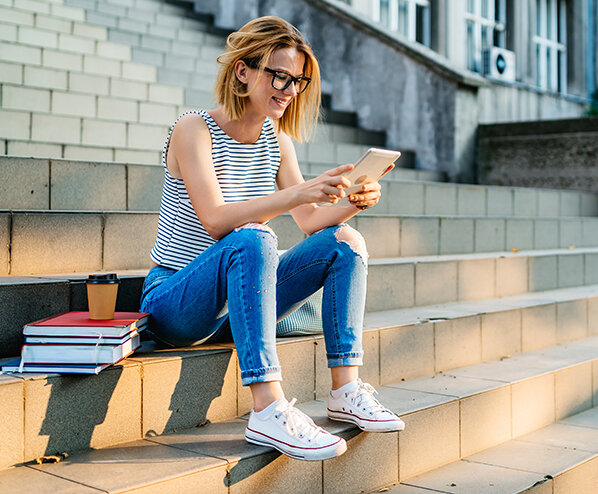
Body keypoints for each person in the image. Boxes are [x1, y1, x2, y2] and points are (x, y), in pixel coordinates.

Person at [139, 16, 404, 461]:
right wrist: (294, 192)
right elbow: (217, 221)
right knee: (254, 238)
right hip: (176, 300)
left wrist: (355, 200)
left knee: (345, 241)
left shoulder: (276, 139)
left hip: (234, 305)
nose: (288, 89)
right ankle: (267, 409)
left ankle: (346, 389)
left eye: (297, 80)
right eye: (278, 75)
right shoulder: (193, 129)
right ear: (242, 71)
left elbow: (309, 220)